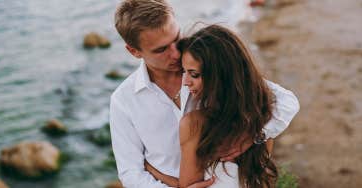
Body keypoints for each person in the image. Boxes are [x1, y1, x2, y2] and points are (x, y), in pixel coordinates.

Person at [110, 0, 300, 187]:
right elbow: (130, 173)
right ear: (134, 51)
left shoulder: (208, 66)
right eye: (161, 50)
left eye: (176, 39)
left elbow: (286, 101)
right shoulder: (123, 100)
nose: (176, 54)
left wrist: (255, 135)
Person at [146, 24, 281, 187]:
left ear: (220, 75)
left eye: (194, 74)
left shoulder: (194, 124)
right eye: (184, 72)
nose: (185, 82)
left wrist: (153, 171)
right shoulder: (263, 120)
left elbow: (187, 186)